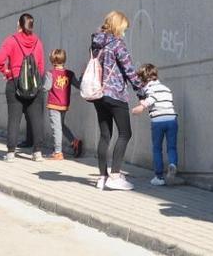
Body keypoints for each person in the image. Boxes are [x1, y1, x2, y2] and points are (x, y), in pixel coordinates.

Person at [90, 11, 144, 191]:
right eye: (124, 28)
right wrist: (141, 93)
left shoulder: (96, 43)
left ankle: (102, 177)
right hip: (115, 94)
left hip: (98, 94)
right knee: (125, 133)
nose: (125, 32)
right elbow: (129, 70)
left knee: (105, 135)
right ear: (118, 26)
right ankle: (115, 175)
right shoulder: (117, 44)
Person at [0, 13, 46, 162]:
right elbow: (41, 67)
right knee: (36, 119)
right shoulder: (38, 42)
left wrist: (5, 71)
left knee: (14, 119)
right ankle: (37, 153)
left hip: (15, 82)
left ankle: (11, 152)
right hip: (34, 84)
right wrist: (36, 80)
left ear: (19, 24)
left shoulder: (12, 40)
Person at [132, 63, 179, 187]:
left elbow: (151, 99)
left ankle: (159, 177)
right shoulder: (166, 88)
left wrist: (140, 107)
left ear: (144, 79)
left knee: (157, 148)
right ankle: (173, 164)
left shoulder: (149, 89)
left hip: (158, 121)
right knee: (171, 147)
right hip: (172, 120)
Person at [43, 49, 82, 160]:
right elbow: (79, 85)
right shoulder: (70, 74)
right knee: (61, 125)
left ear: (52, 60)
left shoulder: (50, 73)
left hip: (54, 105)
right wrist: (83, 75)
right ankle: (74, 141)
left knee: (57, 128)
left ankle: (58, 152)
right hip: (64, 105)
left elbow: (46, 87)